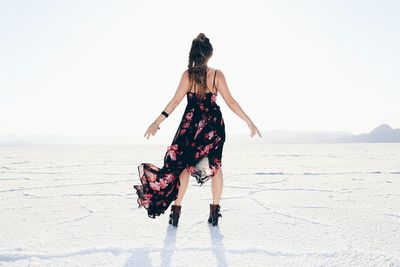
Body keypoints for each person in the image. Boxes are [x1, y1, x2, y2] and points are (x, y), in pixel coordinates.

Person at [133, 33, 262, 227]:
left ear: (192, 55)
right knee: (215, 167)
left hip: (190, 128)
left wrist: (156, 122)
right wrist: (248, 121)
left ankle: (175, 213)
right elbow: (231, 102)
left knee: (183, 169)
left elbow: (175, 101)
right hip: (212, 128)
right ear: (210, 54)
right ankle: (214, 213)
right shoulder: (217, 75)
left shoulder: (188, 75)